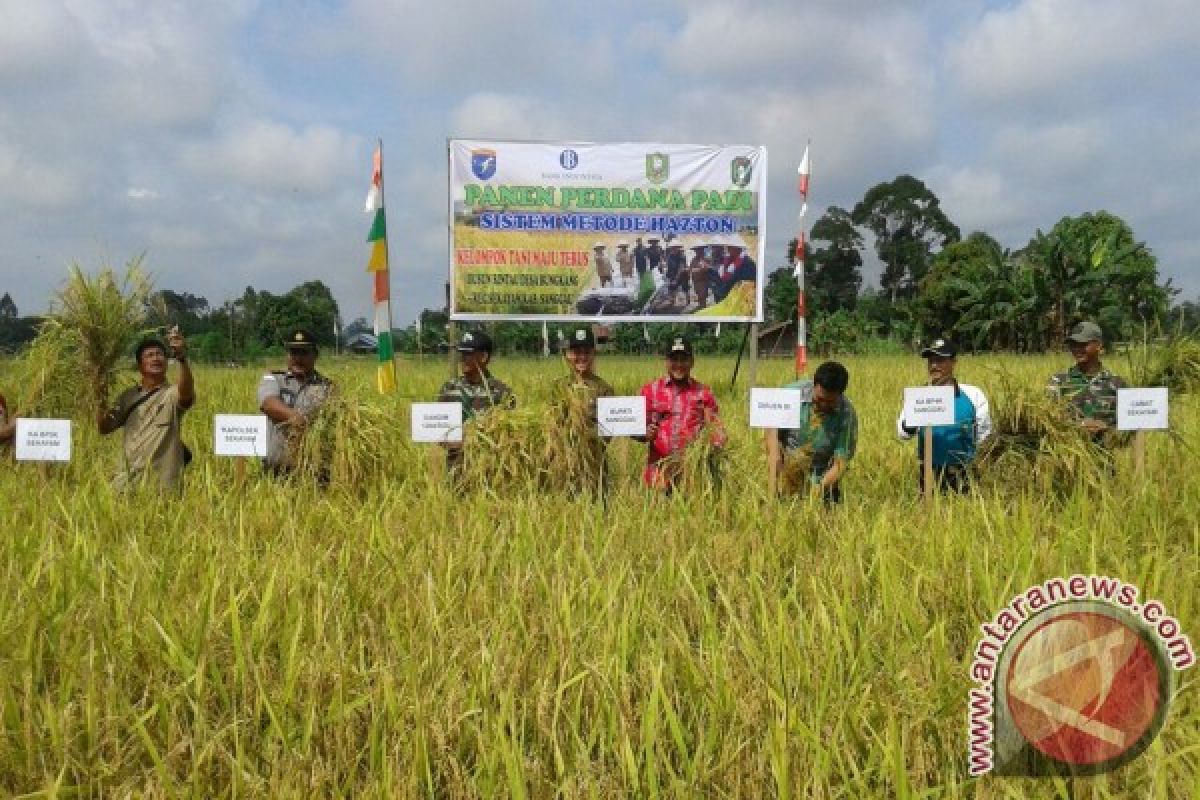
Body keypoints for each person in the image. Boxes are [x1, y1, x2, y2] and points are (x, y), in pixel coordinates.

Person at [97, 326, 195, 490]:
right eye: (150, 355)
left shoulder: (171, 394)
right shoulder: (127, 397)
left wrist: (182, 358)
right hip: (127, 484)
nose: (156, 358)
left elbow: (186, 392)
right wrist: (98, 393)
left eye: (160, 354)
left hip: (162, 487)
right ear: (140, 365)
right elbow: (104, 427)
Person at [896, 338, 992, 493]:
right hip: (929, 472)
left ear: (954, 362)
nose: (934, 366)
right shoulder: (919, 397)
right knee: (928, 514)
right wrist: (911, 424)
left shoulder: (973, 394)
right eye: (931, 361)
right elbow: (903, 433)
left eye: (940, 360)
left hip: (963, 472)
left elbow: (984, 435)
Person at [637, 337, 725, 491]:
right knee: (657, 514)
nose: (679, 365)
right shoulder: (650, 391)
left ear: (692, 362)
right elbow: (636, 427)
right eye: (674, 359)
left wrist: (715, 444)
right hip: (659, 473)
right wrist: (644, 433)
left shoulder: (703, 393)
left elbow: (716, 428)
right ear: (666, 361)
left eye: (683, 359)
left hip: (692, 474)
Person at [766, 361, 857, 503]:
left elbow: (840, 463)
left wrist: (817, 492)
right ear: (814, 385)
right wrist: (775, 485)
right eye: (820, 399)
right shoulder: (789, 395)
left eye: (830, 402)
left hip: (822, 478)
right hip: (786, 470)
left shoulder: (846, 413)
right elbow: (772, 437)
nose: (824, 405)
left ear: (840, 394)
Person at [257, 328, 334, 481]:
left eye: (304, 353)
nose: (298, 358)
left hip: (314, 478)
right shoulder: (273, 379)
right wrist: (295, 418)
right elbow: (268, 404)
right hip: (275, 475)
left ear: (315, 355)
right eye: (293, 352)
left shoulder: (327, 388)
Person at [437, 330, 515, 472]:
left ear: (484, 357)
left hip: (489, 471)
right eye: (461, 354)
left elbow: (510, 437)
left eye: (468, 354)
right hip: (456, 472)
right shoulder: (450, 388)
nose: (462, 359)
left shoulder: (501, 392)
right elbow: (438, 432)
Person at [550, 327, 614, 494]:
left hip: (594, 464)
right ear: (567, 355)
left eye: (586, 352)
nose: (581, 357)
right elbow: (551, 424)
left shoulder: (603, 389)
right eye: (576, 352)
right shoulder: (559, 387)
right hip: (564, 464)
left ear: (593, 355)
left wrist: (583, 433)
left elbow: (608, 432)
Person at [1046, 321, 1128, 441]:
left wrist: (1106, 428)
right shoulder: (1058, 381)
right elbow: (1048, 419)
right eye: (1073, 345)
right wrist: (1077, 426)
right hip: (1068, 453)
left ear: (1099, 345)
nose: (1077, 349)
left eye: (1083, 344)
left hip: (1107, 454)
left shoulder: (1117, 383)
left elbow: (1130, 424)